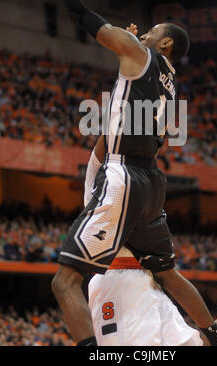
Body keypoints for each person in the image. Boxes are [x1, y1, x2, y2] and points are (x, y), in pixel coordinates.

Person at [20, 0, 217, 347]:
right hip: (153, 182)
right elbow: (157, 136)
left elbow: (82, 15)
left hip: (125, 176)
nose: (146, 31)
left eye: (155, 31)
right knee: (167, 272)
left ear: (165, 45)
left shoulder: (140, 53)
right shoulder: (171, 86)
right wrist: (125, 70)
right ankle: (215, 338)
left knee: (63, 283)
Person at [84, 141, 203, 346]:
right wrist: (118, 117)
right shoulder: (101, 180)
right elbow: (99, 152)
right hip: (116, 278)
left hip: (148, 279)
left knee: (190, 343)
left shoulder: (148, 183)